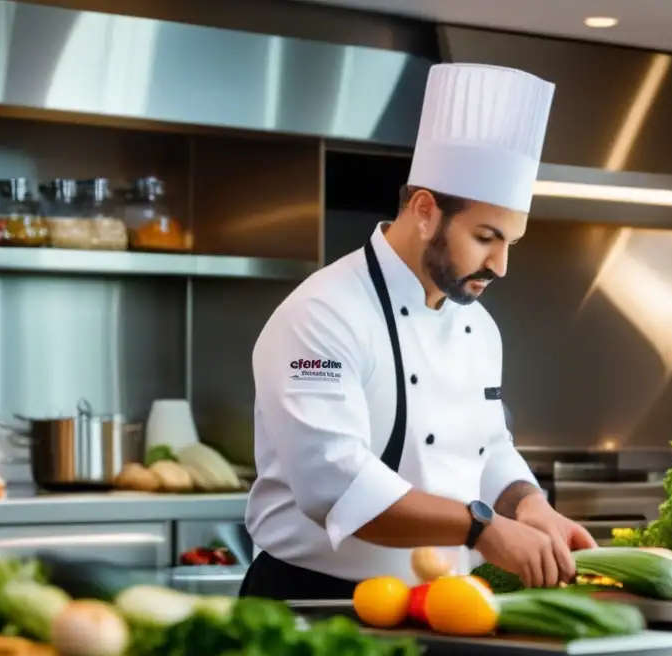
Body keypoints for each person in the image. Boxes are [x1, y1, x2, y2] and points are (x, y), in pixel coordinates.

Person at [240, 62, 597, 601]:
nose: (500, 265)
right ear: (425, 210)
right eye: (485, 238)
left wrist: (529, 505)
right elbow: (338, 488)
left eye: (510, 244)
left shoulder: (479, 326)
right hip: (314, 602)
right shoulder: (322, 314)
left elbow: (487, 447)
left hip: (439, 603)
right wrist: (483, 530)